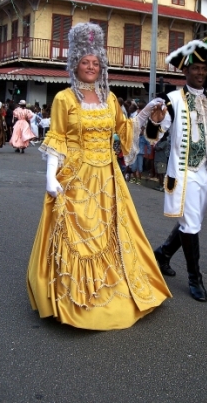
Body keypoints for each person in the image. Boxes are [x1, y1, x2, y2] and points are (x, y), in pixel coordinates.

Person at [27, 22, 171, 331]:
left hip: (108, 179)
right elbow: (58, 139)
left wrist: (146, 113)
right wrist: (50, 176)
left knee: (113, 237)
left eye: (95, 63)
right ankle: (74, 302)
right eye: (85, 62)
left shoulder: (111, 98)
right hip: (75, 177)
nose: (90, 67)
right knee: (77, 237)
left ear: (101, 65)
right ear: (75, 64)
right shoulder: (64, 98)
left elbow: (125, 131)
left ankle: (116, 293)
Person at [148, 29, 207, 302]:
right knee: (190, 224)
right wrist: (154, 121)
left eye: (203, 69)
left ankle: (163, 254)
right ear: (186, 71)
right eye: (195, 68)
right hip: (184, 172)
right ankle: (194, 278)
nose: (200, 73)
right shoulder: (172, 101)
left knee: (193, 222)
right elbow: (155, 137)